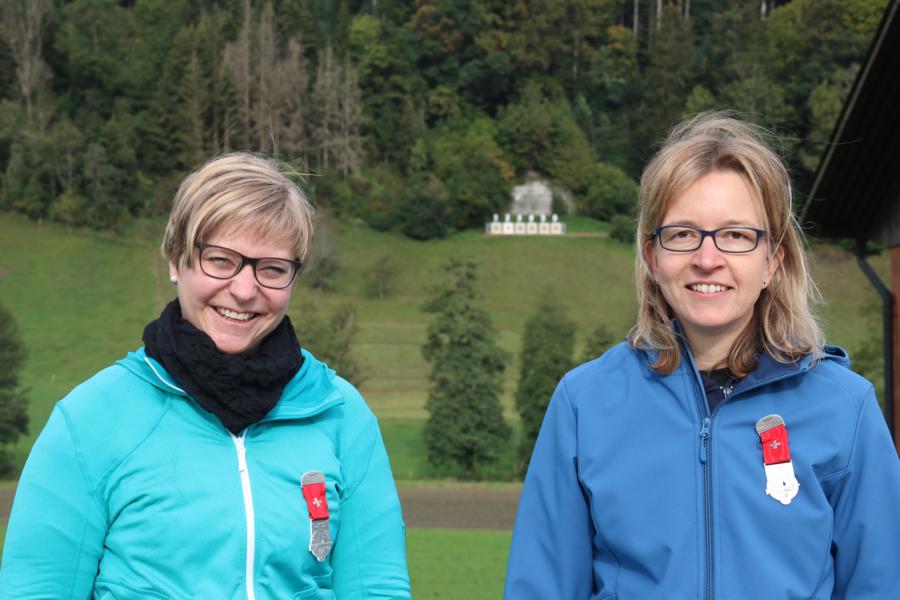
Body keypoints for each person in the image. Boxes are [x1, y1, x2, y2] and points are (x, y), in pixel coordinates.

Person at [504, 113, 900, 598]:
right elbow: (542, 587)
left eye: (736, 235)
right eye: (683, 233)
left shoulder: (846, 407)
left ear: (772, 261)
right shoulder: (583, 404)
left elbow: (881, 586)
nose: (707, 258)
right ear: (653, 258)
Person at [0, 153, 411, 599]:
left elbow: (377, 590)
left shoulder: (340, 413)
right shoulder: (91, 419)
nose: (244, 289)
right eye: (221, 260)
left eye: (271, 268)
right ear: (177, 260)